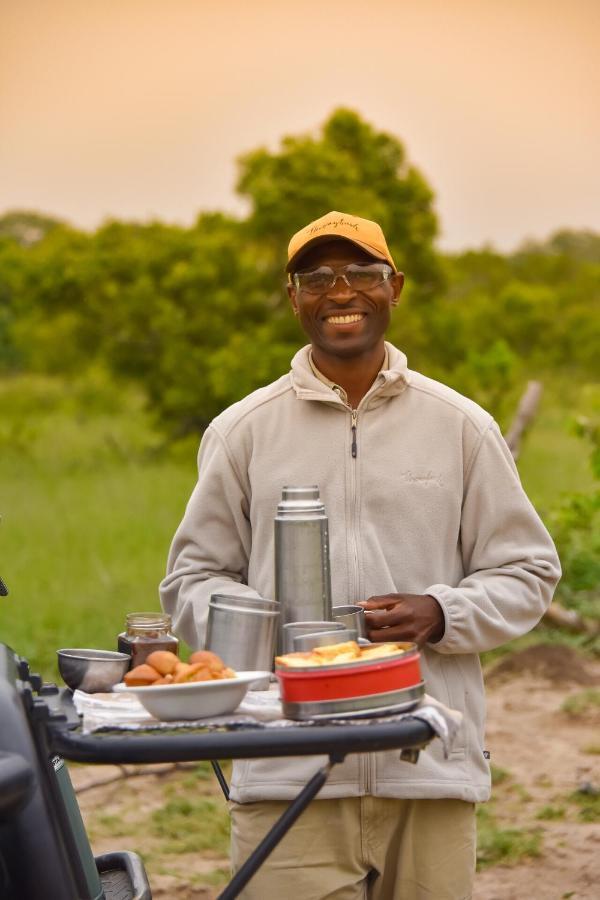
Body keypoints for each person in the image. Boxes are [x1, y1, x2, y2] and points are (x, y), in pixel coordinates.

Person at [160, 210, 561, 899]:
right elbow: (191, 580)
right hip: (284, 770)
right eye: (316, 277)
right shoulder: (243, 432)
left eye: (362, 274)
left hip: (427, 766)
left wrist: (440, 612)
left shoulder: (460, 427)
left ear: (394, 287)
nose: (340, 292)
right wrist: (268, 626)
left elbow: (528, 570)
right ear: (293, 297)